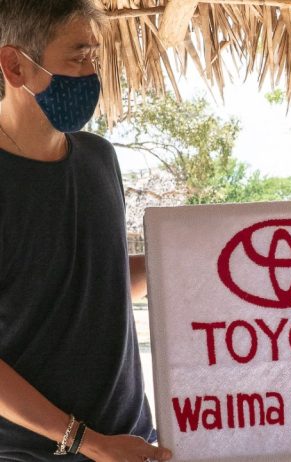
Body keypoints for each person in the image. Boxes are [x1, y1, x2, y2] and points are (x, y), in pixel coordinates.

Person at [0, 1, 172, 460]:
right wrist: (89, 443)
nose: (92, 74)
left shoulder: (99, 157)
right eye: (78, 58)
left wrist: (188, 259)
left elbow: (99, 283)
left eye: (94, 57)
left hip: (131, 441)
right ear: (15, 66)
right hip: (35, 452)